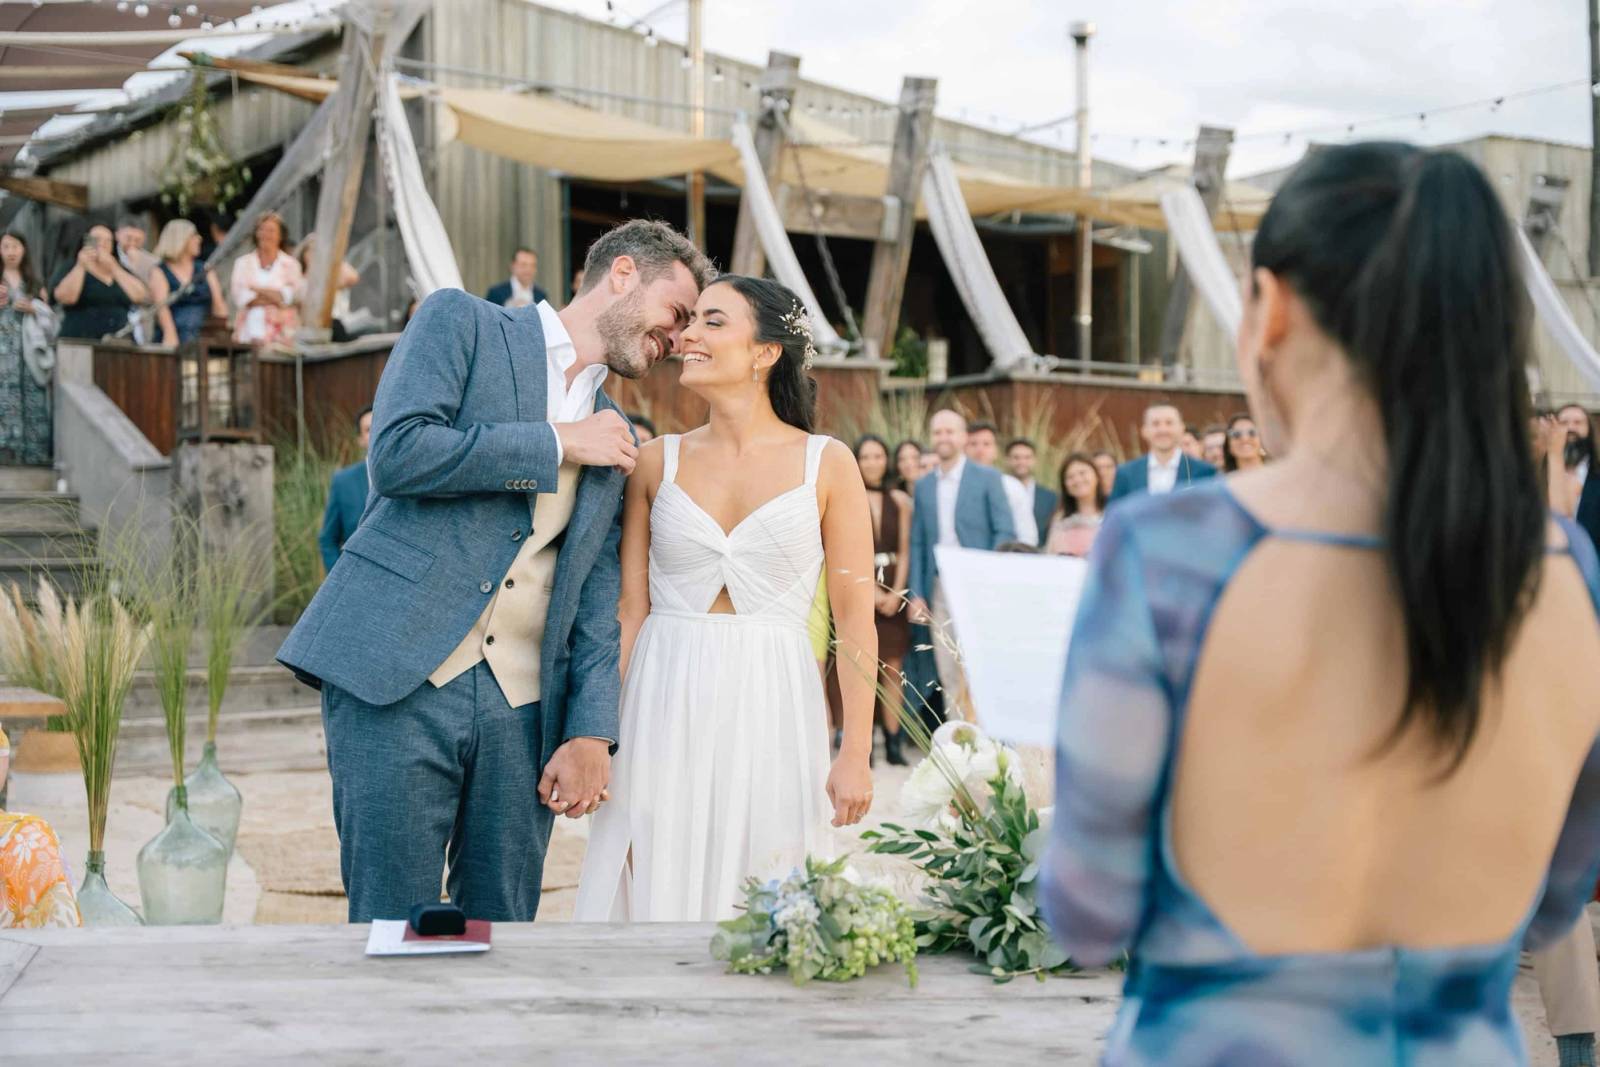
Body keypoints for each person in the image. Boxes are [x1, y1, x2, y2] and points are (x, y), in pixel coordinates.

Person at [1042, 141, 1600, 1065]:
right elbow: (1552, 898)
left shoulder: (1167, 555)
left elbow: (1089, 914)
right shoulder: (1563, 571)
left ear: (1272, 310)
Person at [277, 218, 713, 923]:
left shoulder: (620, 436)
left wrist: (590, 730)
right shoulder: (464, 323)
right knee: (392, 924)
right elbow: (398, 453)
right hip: (399, 678)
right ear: (625, 273)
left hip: (521, 709)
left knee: (506, 930)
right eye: (678, 311)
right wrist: (556, 442)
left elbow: (598, 597)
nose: (678, 337)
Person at [574, 275, 875, 921]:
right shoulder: (656, 461)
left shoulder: (828, 463)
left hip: (775, 697)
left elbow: (854, 619)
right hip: (660, 694)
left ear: (767, 352)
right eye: (691, 322)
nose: (688, 336)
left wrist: (855, 752)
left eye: (713, 322)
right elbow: (629, 613)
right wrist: (594, 731)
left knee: (768, 876)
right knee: (653, 867)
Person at [906, 409, 1015, 721]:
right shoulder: (925, 485)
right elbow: (918, 541)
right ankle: (959, 743)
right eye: (938, 432)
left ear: (964, 436)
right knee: (948, 666)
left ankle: (990, 741)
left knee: (980, 666)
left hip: (977, 583)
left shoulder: (988, 479)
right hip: (939, 586)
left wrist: (986, 575)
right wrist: (916, 593)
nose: (943, 437)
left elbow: (1004, 531)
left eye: (949, 431)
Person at [853, 433, 912, 766]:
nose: (872, 463)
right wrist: (871, 592)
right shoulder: (849, 496)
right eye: (865, 457)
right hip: (861, 584)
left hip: (893, 586)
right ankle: (866, 746)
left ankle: (893, 742)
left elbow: (904, 550)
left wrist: (896, 592)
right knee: (863, 666)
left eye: (878, 456)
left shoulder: (900, 500)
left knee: (893, 668)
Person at [0, 231, 54, 466]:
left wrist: (35, 309)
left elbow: (51, 321)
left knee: (32, 397)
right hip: (3, 350)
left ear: (24, 250)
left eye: (16, 246)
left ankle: (33, 456)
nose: (11, 252)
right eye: (6, 246)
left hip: (28, 350)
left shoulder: (34, 282)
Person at [52, 223, 148, 340]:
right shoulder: (71, 267)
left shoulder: (120, 269)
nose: (102, 244)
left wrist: (114, 267)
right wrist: (81, 266)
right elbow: (66, 297)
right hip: (80, 340)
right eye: (97, 239)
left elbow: (139, 295)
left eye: (108, 241)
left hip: (117, 341)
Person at [1107, 403, 1218, 503]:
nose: (1162, 430)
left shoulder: (1204, 472)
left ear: (1181, 428)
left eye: (1169, 423)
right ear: (1144, 431)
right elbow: (1115, 517)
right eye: (1155, 424)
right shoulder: (1126, 473)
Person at [149, 220, 228, 348]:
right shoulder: (159, 271)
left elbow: (218, 305)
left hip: (203, 336)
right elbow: (161, 308)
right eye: (194, 235)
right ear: (181, 239)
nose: (199, 239)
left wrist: (222, 332)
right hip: (175, 334)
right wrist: (170, 337)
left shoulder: (204, 269)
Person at [229, 212, 302, 346]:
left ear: (280, 235)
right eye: (261, 229)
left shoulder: (291, 265)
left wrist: (256, 289)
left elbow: (290, 297)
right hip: (248, 332)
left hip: (282, 333)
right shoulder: (243, 263)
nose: (265, 234)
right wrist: (275, 296)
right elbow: (241, 297)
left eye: (271, 230)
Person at [318, 406, 374, 572]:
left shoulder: (407, 476)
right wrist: (339, 580)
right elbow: (328, 539)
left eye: (380, 425)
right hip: (356, 582)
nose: (376, 432)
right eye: (369, 429)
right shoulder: (343, 481)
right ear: (360, 439)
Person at [295, 233, 362, 342]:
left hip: (337, 321)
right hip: (310, 324)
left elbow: (353, 277)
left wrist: (332, 258)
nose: (314, 254)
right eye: (311, 250)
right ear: (304, 253)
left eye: (317, 250)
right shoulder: (298, 275)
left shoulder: (333, 273)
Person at [1044, 452, 1105, 558]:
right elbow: (1050, 557)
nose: (1077, 480)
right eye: (1070, 477)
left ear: (1096, 475)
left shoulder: (1113, 513)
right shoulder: (1060, 520)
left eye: (1082, 473)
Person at [1003, 437, 1058, 548]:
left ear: (1035, 461)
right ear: (1007, 460)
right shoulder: (998, 492)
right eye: (1016, 457)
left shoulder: (1051, 497)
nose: (1022, 462)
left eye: (1027, 457)